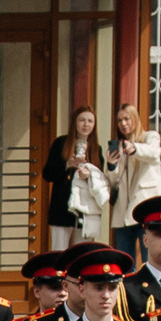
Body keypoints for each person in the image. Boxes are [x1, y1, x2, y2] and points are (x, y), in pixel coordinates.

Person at [103, 104, 161, 259]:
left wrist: (134, 148)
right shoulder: (118, 145)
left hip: (145, 210)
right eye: (119, 120)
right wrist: (111, 165)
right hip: (122, 212)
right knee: (125, 262)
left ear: (135, 119)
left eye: (126, 119)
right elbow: (113, 181)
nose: (123, 123)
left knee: (148, 259)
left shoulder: (150, 137)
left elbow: (154, 153)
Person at [42, 108, 106, 252]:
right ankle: (59, 275)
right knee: (59, 251)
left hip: (86, 207)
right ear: (75, 123)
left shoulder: (96, 149)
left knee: (82, 252)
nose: (86, 124)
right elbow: (47, 174)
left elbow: (102, 180)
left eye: (90, 121)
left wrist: (89, 176)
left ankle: (77, 276)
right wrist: (67, 165)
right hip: (62, 206)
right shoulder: (61, 143)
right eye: (82, 120)